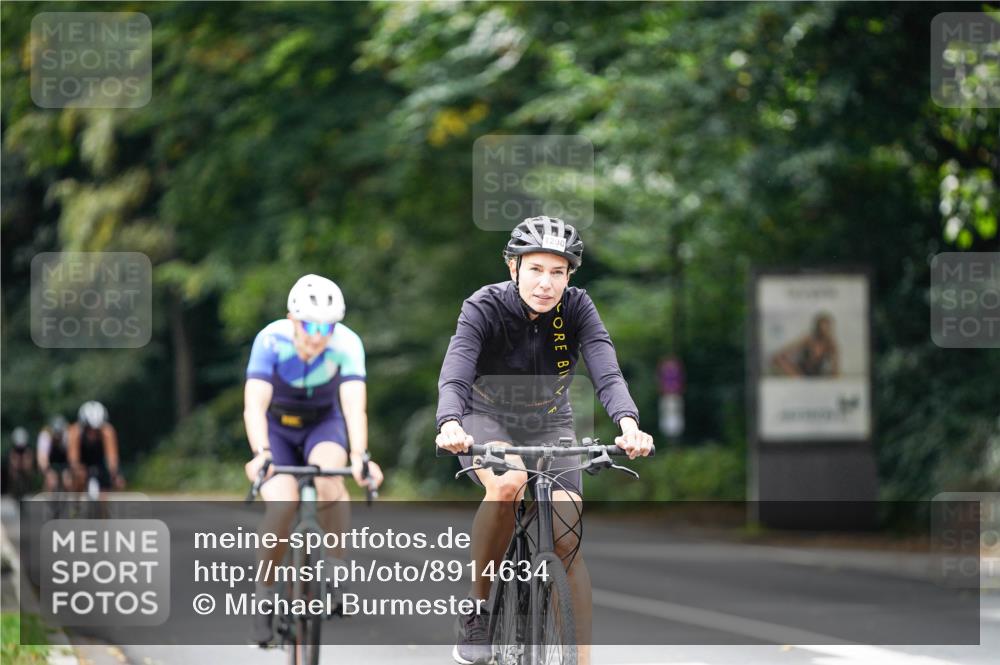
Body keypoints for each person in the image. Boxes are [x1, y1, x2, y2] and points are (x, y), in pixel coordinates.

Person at [435, 216, 654, 665]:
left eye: (557, 272)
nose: (545, 283)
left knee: (567, 536)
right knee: (508, 483)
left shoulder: (577, 308)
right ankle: (476, 608)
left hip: (549, 422)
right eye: (535, 269)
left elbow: (606, 371)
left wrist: (629, 423)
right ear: (513, 267)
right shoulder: (484, 306)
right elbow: (456, 370)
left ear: (570, 276)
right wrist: (450, 422)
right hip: (484, 417)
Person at [243, 273, 384, 645]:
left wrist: (359, 456)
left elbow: (354, 407)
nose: (319, 334)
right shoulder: (270, 341)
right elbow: (254, 405)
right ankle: (265, 592)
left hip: (324, 425)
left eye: (327, 326)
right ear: (292, 319)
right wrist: (261, 455)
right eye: (310, 324)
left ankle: (335, 569)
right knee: (283, 503)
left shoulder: (347, 343)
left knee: (329, 478)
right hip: (277, 430)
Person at [67, 401, 125, 493]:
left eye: (96, 429)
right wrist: (76, 469)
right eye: (89, 428)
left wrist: (114, 473)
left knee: (109, 487)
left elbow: (112, 456)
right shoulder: (75, 432)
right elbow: (73, 457)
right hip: (82, 459)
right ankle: (77, 503)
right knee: (78, 478)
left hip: (100, 460)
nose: (92, 433)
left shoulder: (108, 432)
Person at [770, 311, 840, 378]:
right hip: (801, 374)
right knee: (778, 359)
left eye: (826, 328)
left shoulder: (831, 344)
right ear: (817, 327)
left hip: (817, 375)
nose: (824, 330)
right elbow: (787, 350)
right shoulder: (808, 339)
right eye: (821, 327)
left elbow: (835, 368)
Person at [38, 415, 73, 493]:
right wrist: (47, 472)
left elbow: (72, 456)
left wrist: (70, 470)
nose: (57, 437)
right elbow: (42, 457)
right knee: (51, 482)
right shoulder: (45, 435)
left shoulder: (68, 435)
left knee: (68, 482)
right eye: (55, 434)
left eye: (59, 434)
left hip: (65, 461)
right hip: (50, 461)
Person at [7, 427, 35, 498]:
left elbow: (30, 460)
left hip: (25, 465)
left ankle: (28, 487)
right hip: (16, 466)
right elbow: (12, 460)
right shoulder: (13, 449)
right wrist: (15, 466)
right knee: (13, 471)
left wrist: (27, 465)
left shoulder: (27, 449)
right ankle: (14, 488)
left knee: (28, 467)